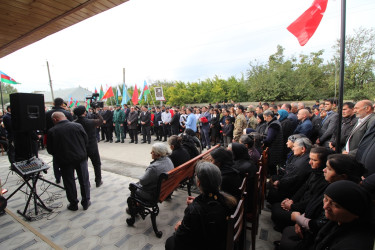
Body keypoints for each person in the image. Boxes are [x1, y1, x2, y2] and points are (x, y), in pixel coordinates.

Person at [165, 162, 237, 250]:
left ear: (198, 182)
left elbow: (181, 240)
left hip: (205, 244)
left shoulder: (194, 210)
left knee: (170, 242)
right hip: (219, 240)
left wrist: (180, 226)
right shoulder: (226, 199)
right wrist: (197, 202)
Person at [271, 146, 331, 232]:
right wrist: (292, 200)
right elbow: (303, 188)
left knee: (277, 211)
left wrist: (292, 206)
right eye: (310, 159)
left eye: (314, 160)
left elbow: (311, 201)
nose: (310, 162)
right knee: (276, 207)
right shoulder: (314, 172)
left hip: (304, 211)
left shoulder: (324, 180)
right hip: (298, 203)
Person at [47, 112, 91, 211]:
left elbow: (50, 150)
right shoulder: (77, 126)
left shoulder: (52, 131)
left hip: (65, 160)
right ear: (65, 117)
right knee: (84, 180)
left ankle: (73, 203)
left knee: (69, 182)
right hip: (80, 158)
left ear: (55, 120)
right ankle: (86, 202)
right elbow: (86, 140)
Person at [312, 180, 374, 250]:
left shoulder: (354, 244)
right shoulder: (337, 221)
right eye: (325, 199)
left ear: (355, 212)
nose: (325, 206)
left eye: (335, 205)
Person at [267, 137, 312, 204]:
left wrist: (279, 183)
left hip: (290, 193)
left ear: (303, 149)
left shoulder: (303, 162)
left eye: (294, 146)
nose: (293, 149)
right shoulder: (301, 157)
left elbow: (292, 179)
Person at [45, 98, 74, 183]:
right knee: (68, 157)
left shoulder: (47, 114)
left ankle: (57, 177)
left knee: (55, 158)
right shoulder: (67, 113)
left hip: (52, 138)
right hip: (67, 139)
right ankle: (69, 175)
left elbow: (45, 127)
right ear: (62, 104)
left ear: (53, 103)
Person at [74, 105, 104, 188]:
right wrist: (97, 113)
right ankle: (98, 180)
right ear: (84, 112)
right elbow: (101, 120)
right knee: (96, 164)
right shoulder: (90, 122)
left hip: (81, 147)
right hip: (92, 146)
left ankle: (86, 182)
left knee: (83, 166)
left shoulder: (74, 123)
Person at [263, 109, 284, 176]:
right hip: (275, 148)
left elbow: (269, 139)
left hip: (274, 149)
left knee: (272, 167)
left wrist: (262, 141)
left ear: (269, 116)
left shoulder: (274, 125)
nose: (264, 119)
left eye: (265, 117)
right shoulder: (274, 122)